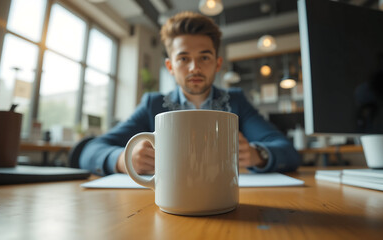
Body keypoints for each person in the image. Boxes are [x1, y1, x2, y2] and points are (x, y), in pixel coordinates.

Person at [80, 11, 301, 176]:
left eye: (204, 57)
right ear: (170, 66)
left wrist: (257, 155)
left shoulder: (236, 101)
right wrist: (123, 160)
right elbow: (91, 151)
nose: (194, 67)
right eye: (184, 58)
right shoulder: (153, 104)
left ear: (217, 64)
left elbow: (288, 152)